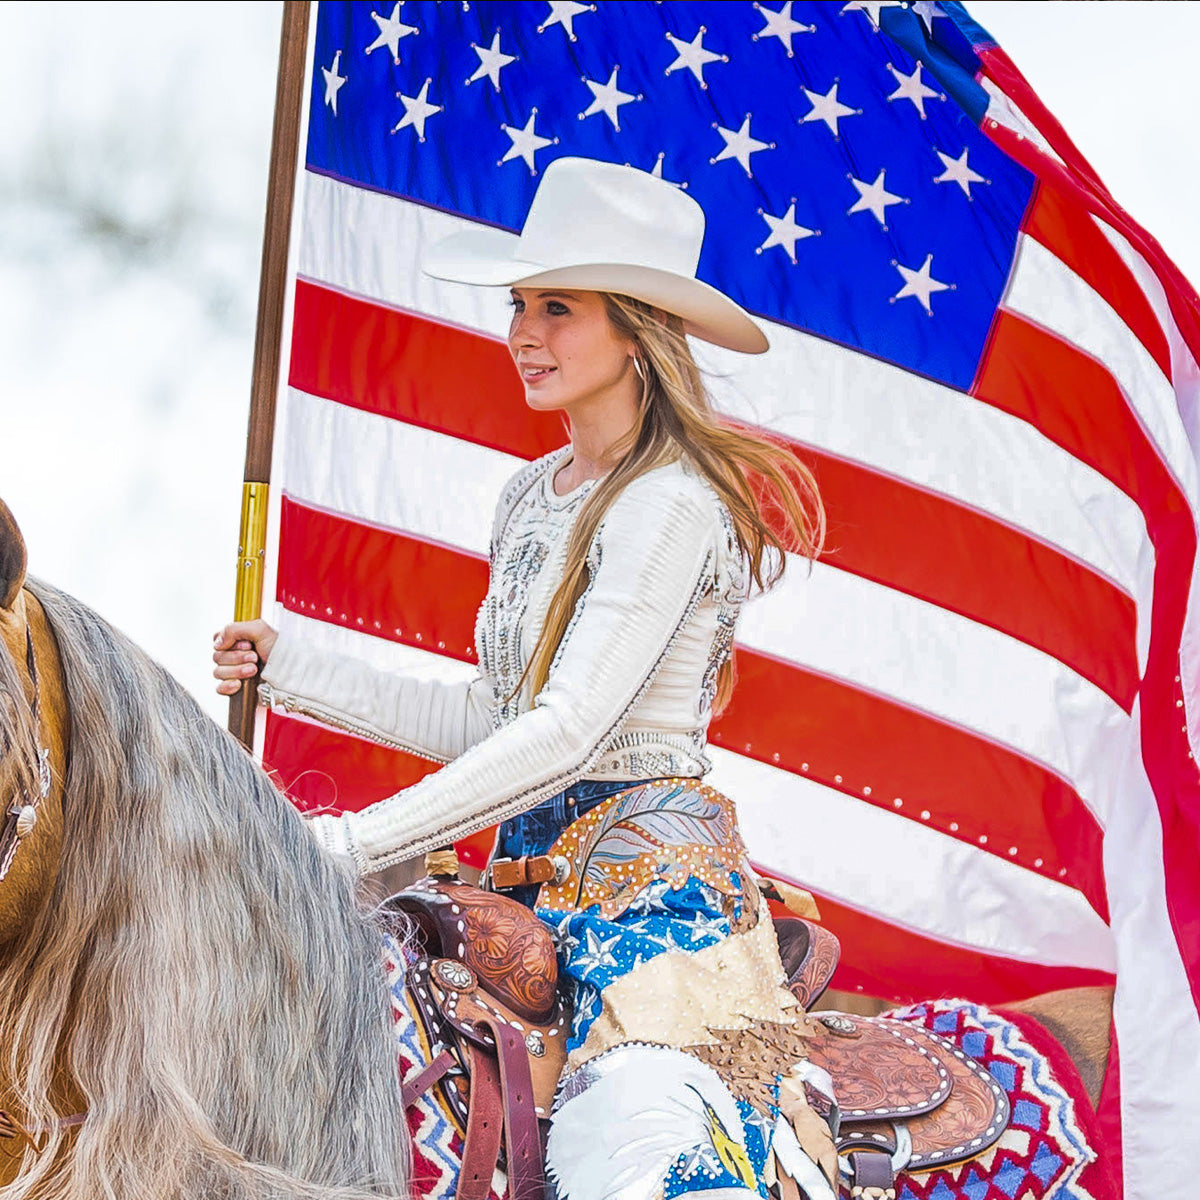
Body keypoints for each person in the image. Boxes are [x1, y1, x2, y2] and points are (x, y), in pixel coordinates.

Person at [214, 157, 836, 1200]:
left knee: (631, 1154)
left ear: (636, 330)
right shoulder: (532, 494)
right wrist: (296, 670)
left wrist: (352, 845)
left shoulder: (671, 501)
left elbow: (573, 729)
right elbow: (495, 719)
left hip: (656, 900)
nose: (523, 333)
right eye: (518, 305)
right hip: (524, 883)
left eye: (560, 308)